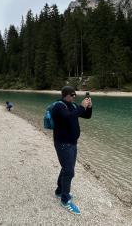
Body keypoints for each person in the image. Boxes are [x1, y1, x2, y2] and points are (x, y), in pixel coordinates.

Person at [52, 86, 92, 215]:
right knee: (69, 171)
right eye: (72, 94)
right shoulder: (59, 106)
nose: (74, 97)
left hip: (72, 143)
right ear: (65, 95)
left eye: (75, 95)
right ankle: (65, 199)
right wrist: (81, 106)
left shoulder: (73, 106)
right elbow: (68, 117)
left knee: (66, 168)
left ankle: (59, 191)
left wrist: (89, 107)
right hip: (63, 144)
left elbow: (87, 116)